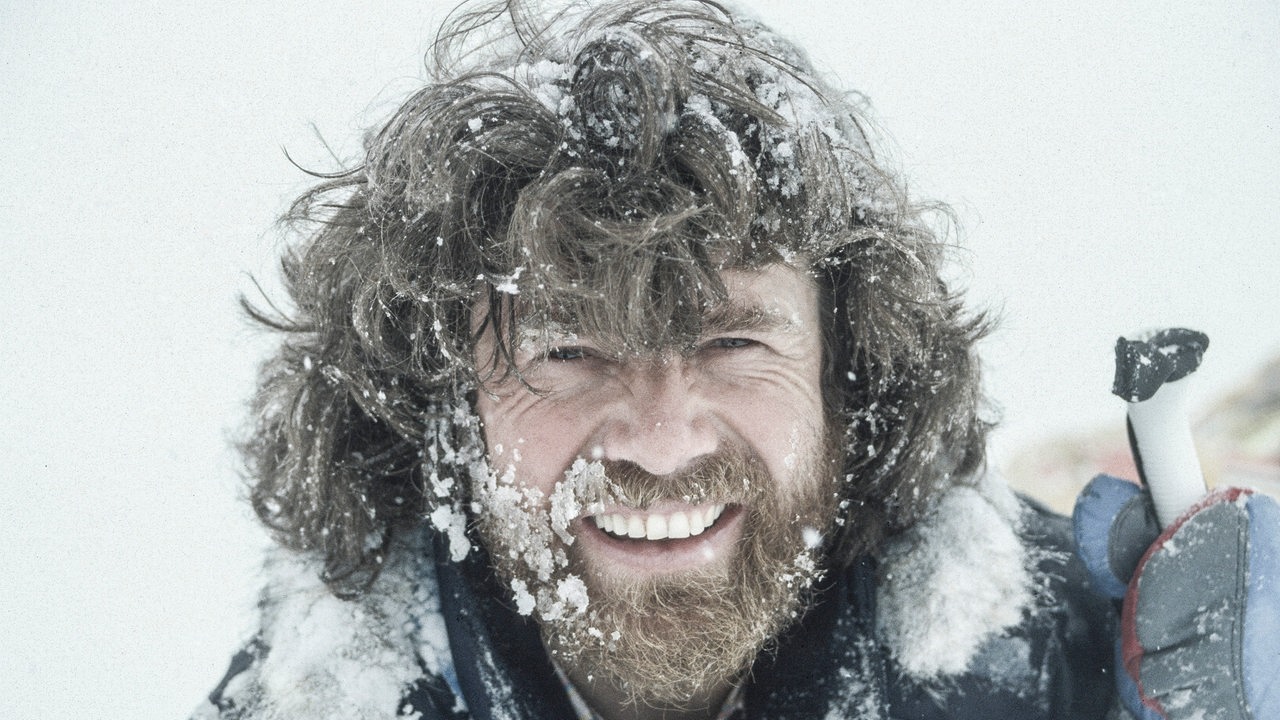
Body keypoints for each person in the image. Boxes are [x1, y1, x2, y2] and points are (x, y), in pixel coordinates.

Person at [193, 2, 1277, 719]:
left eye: (732, 341)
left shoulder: (1093, 670)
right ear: (440, 404)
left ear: (846, 375)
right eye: (567, 348)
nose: (661, 439)